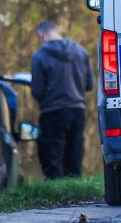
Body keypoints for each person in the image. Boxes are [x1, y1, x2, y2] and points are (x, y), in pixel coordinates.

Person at [31, 21, 93, 178]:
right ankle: (74, 188)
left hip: (52, 111)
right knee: (74, 153)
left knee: (52, 155)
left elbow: (37, 91)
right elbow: (89, 85)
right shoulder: (81, 52)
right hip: (78, 110)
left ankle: (56, 191)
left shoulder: (40, 57)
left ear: (41, 35)